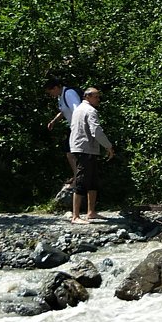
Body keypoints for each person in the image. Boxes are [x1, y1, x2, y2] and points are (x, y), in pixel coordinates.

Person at [68, 88, 114, 223]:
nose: (98, 99)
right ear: (88, 96)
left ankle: (91, 212)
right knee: (82, 180)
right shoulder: (90, 111)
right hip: (85, 149)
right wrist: (108, 146)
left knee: (93, 180)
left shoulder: (78, 109)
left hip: (82, 148)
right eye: (96, 96)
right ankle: (75, 216)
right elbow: (96, 131)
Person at [44, 78, 82, 181]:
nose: (50, 95)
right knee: (70, 152)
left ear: (55, 88)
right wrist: (54, 121)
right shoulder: (60, 96)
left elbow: (78, 110)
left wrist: (77, 129)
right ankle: (77, 176)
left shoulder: (69, 94)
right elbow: (63, 111)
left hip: (79, 127)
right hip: (73, 127)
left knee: (71, 153)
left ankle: (78, 177)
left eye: (50, 92)